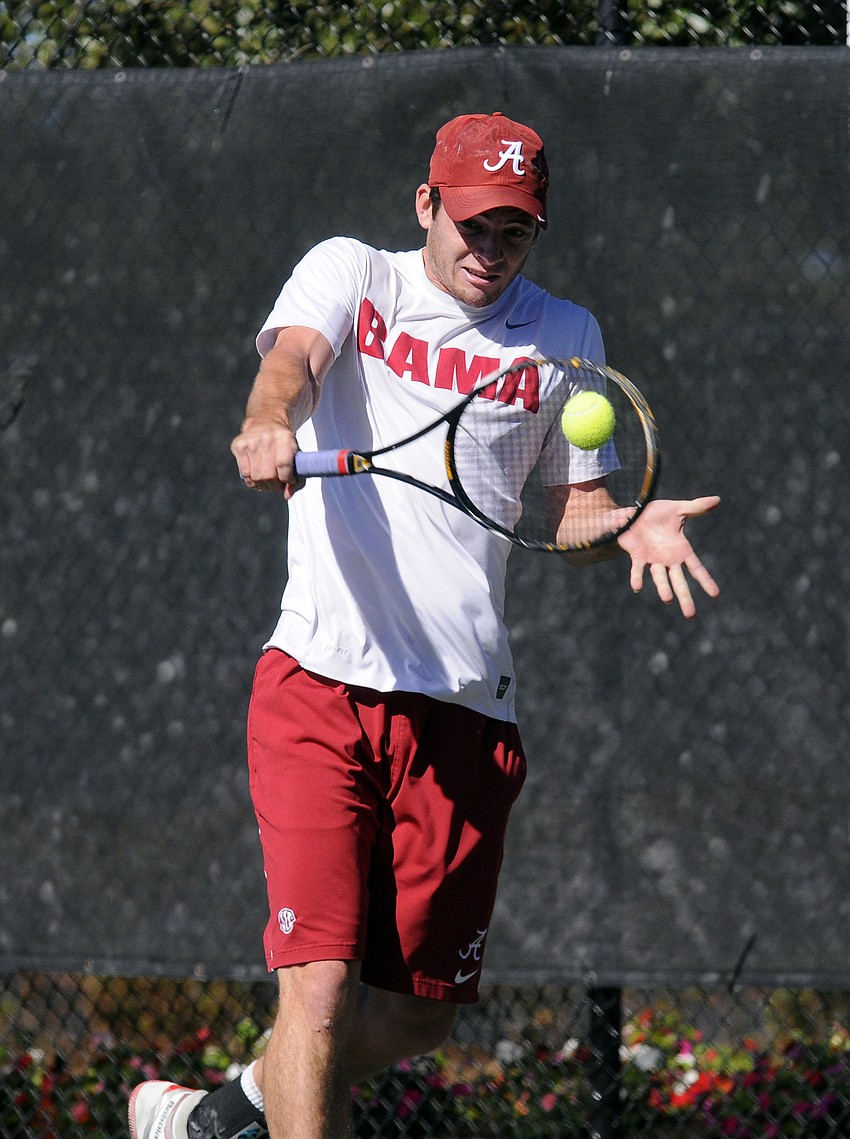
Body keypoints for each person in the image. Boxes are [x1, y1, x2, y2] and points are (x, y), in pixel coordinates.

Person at [128, 111, 720, 1139]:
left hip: (463, 711)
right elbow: (296, 363)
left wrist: (622, 523)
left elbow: (567, 516)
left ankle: (223, 1114)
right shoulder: (354, 274)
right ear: (426, 205)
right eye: (473, 224)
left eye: (515, 232)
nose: (490, 250)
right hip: (320, 683)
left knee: (412, 1015)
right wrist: (270, 420)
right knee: (315, 993)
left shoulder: (564, 336)